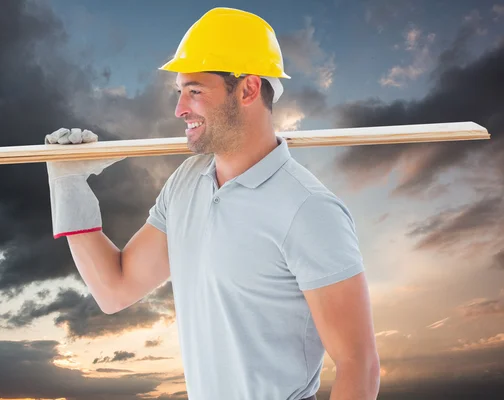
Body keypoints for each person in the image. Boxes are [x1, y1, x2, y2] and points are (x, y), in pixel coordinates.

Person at [44, 7, 380, 400]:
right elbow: (114, 289)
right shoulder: (185, 184)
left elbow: (359, 365)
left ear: (249, 89)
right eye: (180, 92)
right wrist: (68, 184)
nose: (180, 109)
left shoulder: (310, 210)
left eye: (195, 91)